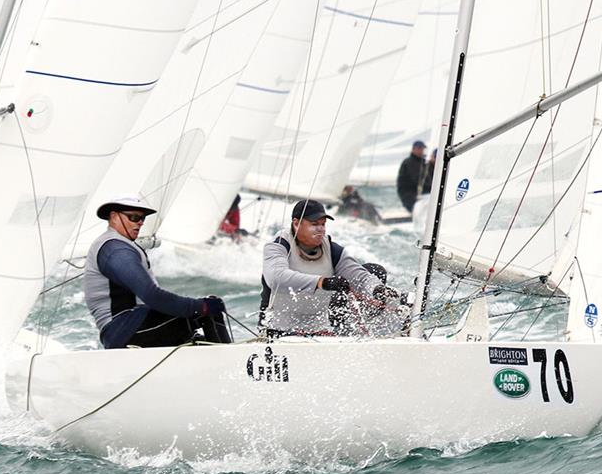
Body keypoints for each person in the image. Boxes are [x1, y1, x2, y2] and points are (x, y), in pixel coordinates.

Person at [85, 196, 230, 349]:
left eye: (142, 218)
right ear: (114, 217)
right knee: (208, 309)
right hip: (125, 329)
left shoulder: (116, 245)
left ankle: (212, 356)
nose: (140, 222)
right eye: (134, 217)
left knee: (198, 340)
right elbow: (151, 295)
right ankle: (231, 362)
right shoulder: (115, 249)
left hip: (128, 328)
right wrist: (201, 307)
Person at [259, 199, 399, 337]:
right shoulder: (278, 246)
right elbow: (276, 278)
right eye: (314, 224)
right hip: (277, 330)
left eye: (323, 224)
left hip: (318, 331)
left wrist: (377, 288)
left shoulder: (332, 250)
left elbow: (360, 277)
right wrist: (322, 282)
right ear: (296, 223)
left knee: (375, 271)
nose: (320, 229)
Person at [396, 140, 427, 211]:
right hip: (409, 196)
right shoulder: (408, 163)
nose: (421, 151)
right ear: (413, 149)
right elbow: (416, 179)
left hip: (420, 195)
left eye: (422, 149)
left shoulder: (423, 162)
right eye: (419, 149)